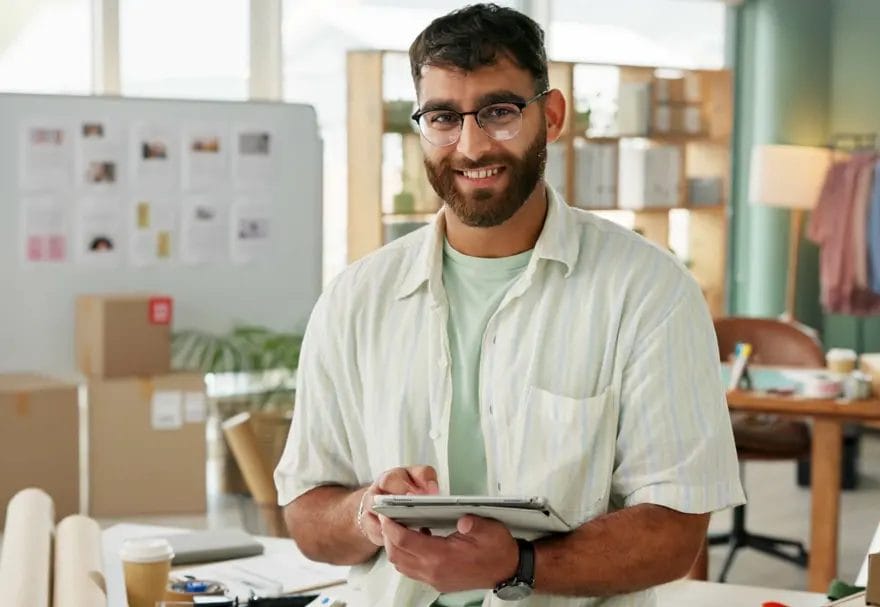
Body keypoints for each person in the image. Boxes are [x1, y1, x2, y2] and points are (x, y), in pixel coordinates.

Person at [274, 4, 744, 606]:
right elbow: (308, 515)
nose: (470, 146)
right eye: (444, 117)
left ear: (550, 116)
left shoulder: (649, 291)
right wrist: (367, 511)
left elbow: (675, 534)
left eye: (498, 112)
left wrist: (520, 563)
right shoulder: (355, 300)